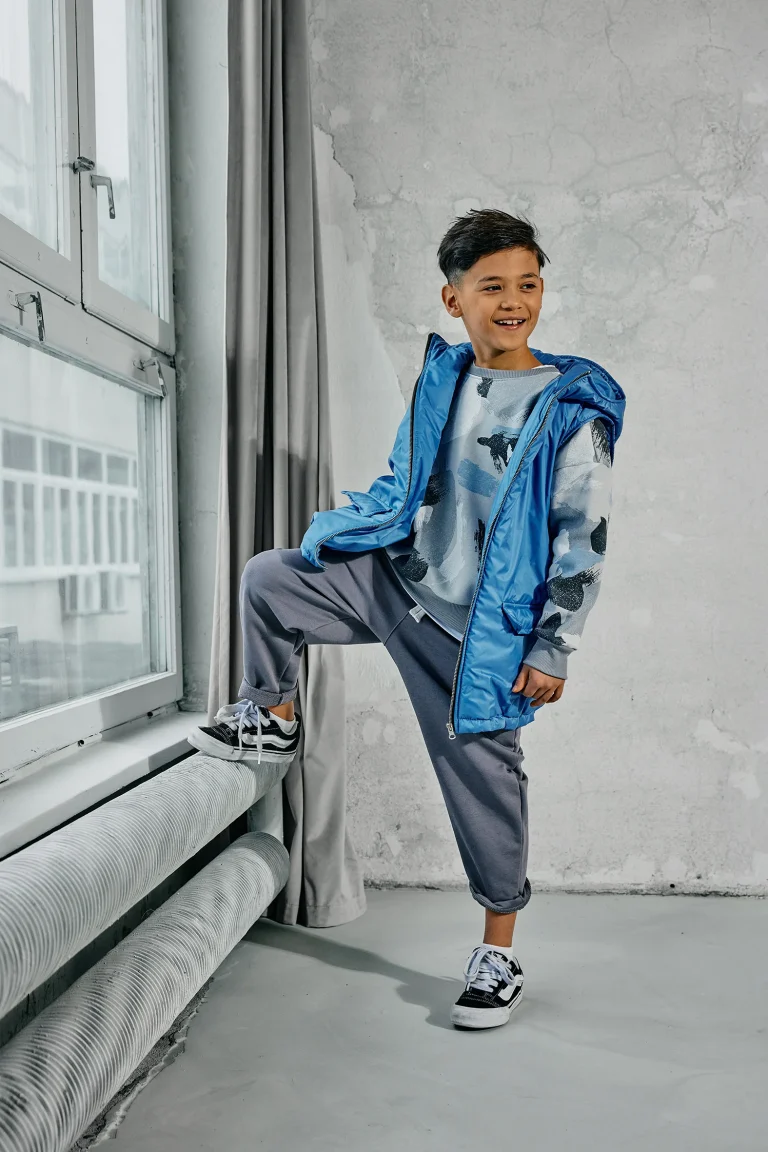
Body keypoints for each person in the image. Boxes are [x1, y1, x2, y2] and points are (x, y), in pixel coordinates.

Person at [189, 208, 626, 1031]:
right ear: (453, 298)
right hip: (396, 581)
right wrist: (354, 527)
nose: (513, 302)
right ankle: (273, 715)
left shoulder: (571, 409)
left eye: (528, 284)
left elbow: (583, 538)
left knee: (486, 787)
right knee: (271, 578)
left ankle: (498, 951)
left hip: (473, 636)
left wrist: (553, 646)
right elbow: (407, 476)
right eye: (491, 287)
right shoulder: (443, 376)